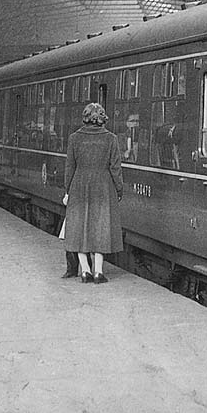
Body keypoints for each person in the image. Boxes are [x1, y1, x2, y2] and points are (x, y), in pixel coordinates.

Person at [63, 103, 124, 284]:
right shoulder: (111, 139)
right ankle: (98, 272)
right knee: (101, 228)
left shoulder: (74, 138)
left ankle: (85, 272)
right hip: (104, 187)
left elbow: (69, 168)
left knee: (79, 229)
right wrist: (119, 189)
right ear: (102, 118)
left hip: (79, 185)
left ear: (86, 117)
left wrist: (68, 190)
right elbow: (116, 168)